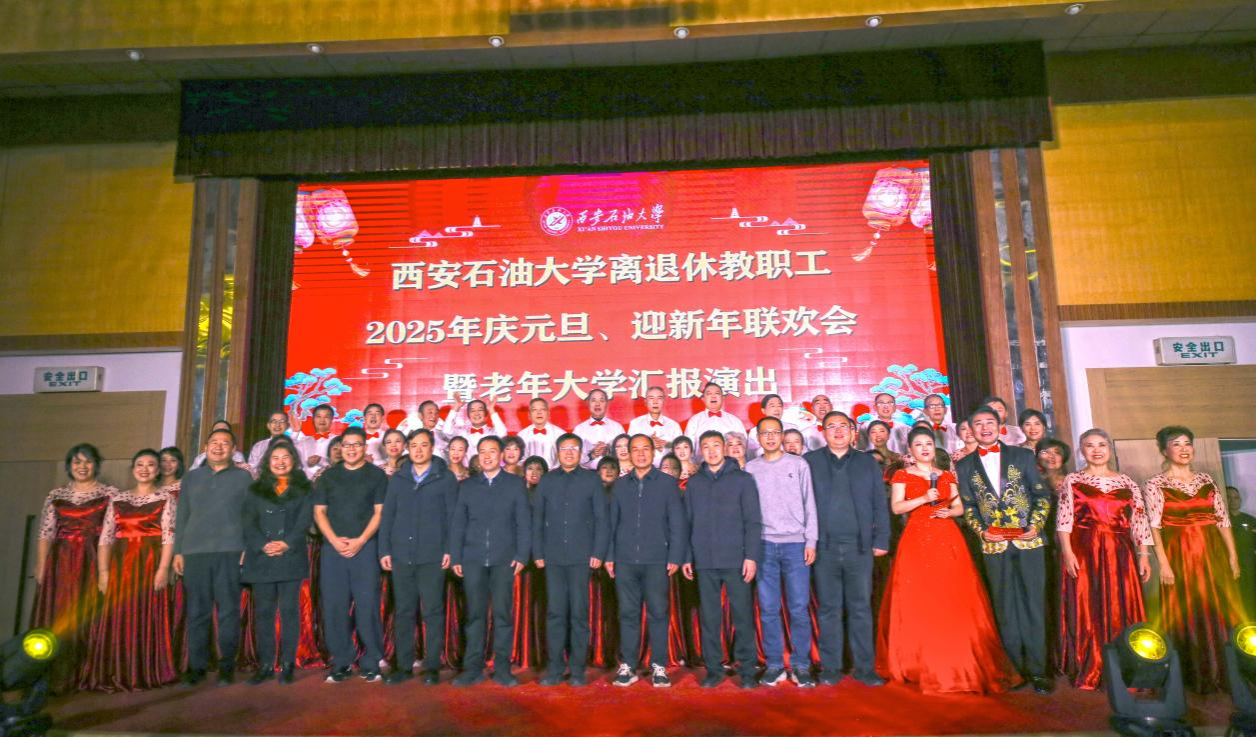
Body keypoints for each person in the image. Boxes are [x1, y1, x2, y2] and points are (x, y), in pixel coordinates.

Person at [878, 428, 1021, 694]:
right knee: (920, 597)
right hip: (917, 538)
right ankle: (918, 661)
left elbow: (960, 506)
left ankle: (958, 657)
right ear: (910, 450)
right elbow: (897, 507)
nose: (924, 448)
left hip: (947, 536)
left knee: (953, 594)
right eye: (918, 444)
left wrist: (950, 512)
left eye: (928, 444)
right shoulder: (902, 475)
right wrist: (923, 499)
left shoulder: (945, 475)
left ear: (934, 448)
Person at [956, 406, 1052, 693]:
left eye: (990, 422)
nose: (984, 428)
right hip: (993, 545)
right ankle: (1014, 670)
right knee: (1004, 607)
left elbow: (1041, 496)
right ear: (970, 430)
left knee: (1034, 605)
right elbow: (969, 506)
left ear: (1000, 427)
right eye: (978, 423)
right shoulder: (964, 465)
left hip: (1028, 541)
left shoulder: (1022, 456)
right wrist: (981, 531)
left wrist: (1035, 524)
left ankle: (1038, 671)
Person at [1144, 425, 1243, 693]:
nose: (1184, 448)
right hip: (1179, 556)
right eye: (1176, 444)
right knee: (1187, 611)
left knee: (1220, 608)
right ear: (1164, 450)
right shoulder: (1155, 484)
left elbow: (1222, 521)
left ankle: (1226, 673)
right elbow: (1154, 527)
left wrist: (1233, 556)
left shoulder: (1206, 480)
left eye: (1187, 443)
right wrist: (1163, 563)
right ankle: (1197, 674)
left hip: (1213, 554)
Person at [1057, 428, 1153, 690]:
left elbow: (1140, 522)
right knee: (1088, 605)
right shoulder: (1073, 480)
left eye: (1102, 445)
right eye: (1090, 445)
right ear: (1081, 450)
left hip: (1120, 551)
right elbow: (1064, 520)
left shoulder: (1127, 482)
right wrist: (1067, 552)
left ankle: (1127, 665)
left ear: (1109, 449)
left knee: (1122, 604)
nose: (1096, 450)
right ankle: (1092, 664)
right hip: (1085, 549)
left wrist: (1144, 555)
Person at [804, 412, 890, 687]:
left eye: (844, 426)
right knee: (828, 609)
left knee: (860, 608)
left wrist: (881, 539)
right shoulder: (810, 462)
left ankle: (865, 668)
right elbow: (801, 503)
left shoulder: (866, 462)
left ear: (853, 432)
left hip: (859, 548)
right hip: (824, 549)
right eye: (832, 426)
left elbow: (879, 503)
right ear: (823, 432)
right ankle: (830, 668)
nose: (838, 431)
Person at [84, 449, 177, 691]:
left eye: (150, 465)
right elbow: (106, 538)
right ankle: (116, 671)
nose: (145, 469)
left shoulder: (166, 498)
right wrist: (103, 572)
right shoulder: (118, 499)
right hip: (121, 565)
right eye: (140, 464)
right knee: (118, 614)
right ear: (133, 469)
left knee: (146, 614)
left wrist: (163, 569)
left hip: (150, 563)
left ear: (157, 470)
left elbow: (169, 537)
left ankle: (142, 672)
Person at [31, 443, 115, 692]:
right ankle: (54, 675)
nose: (82, 466)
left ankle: (85, 673)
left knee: (87, 613)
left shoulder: (110, 494)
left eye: (88, 461)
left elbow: (111, 534)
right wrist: (41, 564)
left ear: (96, 465)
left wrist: (104, 571)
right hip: (60, 562)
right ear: (69, 466)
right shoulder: (55, 495)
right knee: (57, 614)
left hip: (91, 560)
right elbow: (46, 532)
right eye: (77, 462)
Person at [682, 431, 762, 689]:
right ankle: (713, 669)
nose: (711, 451)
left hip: (736, 559)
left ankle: (747, 670)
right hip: (704, 560)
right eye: (706, 446)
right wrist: (687, 557)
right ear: (700, 451)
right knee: (710, 618)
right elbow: (687, 522)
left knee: (742, 616)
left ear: (725, 448)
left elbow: (753, 521)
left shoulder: (743, 479)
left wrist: (751, 556)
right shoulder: (694, 483)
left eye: (716, 445)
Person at [449, 436, 531, 687]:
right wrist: (456, 555)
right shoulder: (467, 486)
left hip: (504, 559)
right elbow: (458, 523)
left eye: (492, 451)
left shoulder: (515, 484)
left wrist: (521, 555)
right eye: (482, 451)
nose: (487, 456)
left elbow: (523, 522)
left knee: (503, 615)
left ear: (501, 455)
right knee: (474, 615)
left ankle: (502, 669)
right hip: (472, 558)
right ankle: (472, 668)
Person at [607, 434, 686, 688]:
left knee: (658, 613)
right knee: (627, 613)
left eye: (645, 449)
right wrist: (609, 556)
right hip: (625, 560)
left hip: (657, 560)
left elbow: (677, 523)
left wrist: (675, 556)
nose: (640, 454)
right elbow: (611, 524)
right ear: (628, 453)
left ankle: (659, 666)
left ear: (653, 452)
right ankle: (628, 665)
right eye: (635, 449)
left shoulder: (667, 484)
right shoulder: (620, 485)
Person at [379, 428, 457, 685]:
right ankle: (403, 667)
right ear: (408, 449)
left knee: (432, 611)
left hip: (432, 556)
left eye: (424, 445)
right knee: (403, 612)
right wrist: (384, 550)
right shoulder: (399, 479)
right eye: (413, 445)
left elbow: (453, 518)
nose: (418, 450)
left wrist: (450, 549)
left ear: (432, 448)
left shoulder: (445, 478)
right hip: (401, 554)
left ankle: (432, 667)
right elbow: (388, 516)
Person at [175, 427, 252, 686]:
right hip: (195, 552)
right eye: (214, 442)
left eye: (225, 443)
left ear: (234, 450)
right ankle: (196, 667)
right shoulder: (191, 477)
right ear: (205, 447)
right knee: (198, 611)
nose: (219, 447)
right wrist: (178, 551)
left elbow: (251, 516)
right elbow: (182, 516)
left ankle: (226, 667)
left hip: (230, 551)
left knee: (228, 611)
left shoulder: (244, 477)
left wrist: (247, 548)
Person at [746, 416, 817, 688]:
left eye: (775, 432)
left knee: (798, 607)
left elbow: (810, 503)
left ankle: (801, 665)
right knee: (768, 609)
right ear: (758, 438)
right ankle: (774, 664)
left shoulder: (798, 465)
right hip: (764, 545)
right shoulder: (751, 468)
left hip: (796, 544)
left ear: (782, 435)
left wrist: (811, 541)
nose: (770, 437)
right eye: (765, 433)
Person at [312, 426, 388, 682]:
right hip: (333, 549)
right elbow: (319, 512)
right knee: (334, 606)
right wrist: (334, 540)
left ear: (365, 447)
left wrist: (360, 541)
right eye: (347, 445)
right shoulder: (328, 476)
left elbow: (379, 512)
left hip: (365, 548)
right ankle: (341, 661)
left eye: (357, 444)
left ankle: (371, 660)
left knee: (367, 606)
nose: (351, 449)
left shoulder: (376, 475)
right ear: (340, 448)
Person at [533, 434, 608, 687]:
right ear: (557, 452)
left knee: (578, 614)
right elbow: (537, 518)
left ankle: (577, 670)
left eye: (573, 448)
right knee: (555, 613)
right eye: (564, 448)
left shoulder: (591, 479)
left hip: (581, 557)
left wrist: (598, 552)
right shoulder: (547, 480)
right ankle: (555, 669)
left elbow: (601, 519)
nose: (568, 452)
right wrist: (538, 553)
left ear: (580, 452)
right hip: (552, 557)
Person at [242, 440, 313, 685]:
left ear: (293, 461)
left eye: (285, 457)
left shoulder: (304, 487)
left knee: (289, 611)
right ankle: (265, 665)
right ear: (267, 462)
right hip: (262, 557)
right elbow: (248, 521)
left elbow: (304, 520)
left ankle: (287, 664)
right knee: (264, 612)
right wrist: (263, 544)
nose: (280, 462)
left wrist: (286, 543)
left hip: (290, 556)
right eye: (275, 458)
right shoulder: (255, 489)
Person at [517, 456, 549, 670]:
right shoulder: (516, 494)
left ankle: (541, 653)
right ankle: (520, 651)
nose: (534, 472)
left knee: (542, 606)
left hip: (543, 558)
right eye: (530, 468)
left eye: (539, 469)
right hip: (520, 558)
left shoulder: (550, 495)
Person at [628, 386, 682, 465]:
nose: (655, 402)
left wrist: (666, 445)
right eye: (651, 398)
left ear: (664, 401)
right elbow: (630, 448)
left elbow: (681, 449)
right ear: (645, 402)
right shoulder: (635, 424)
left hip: (668, 468)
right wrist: (648, 444)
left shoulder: (674, 425)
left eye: (659, 398)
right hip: (643, 468)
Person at [573, 389, 626, 470]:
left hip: (612, 472)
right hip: (586, 473)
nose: (597, 404)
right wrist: (592, 455)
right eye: (593, 400)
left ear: (607, 404)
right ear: (588, 404)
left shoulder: (617, 427)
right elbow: (574, 457)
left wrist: (608, 451)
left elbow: (626, 453)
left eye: (601, 400)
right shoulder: (579, 430)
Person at [440, 398, 508, 460]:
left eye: (480, 410)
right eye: (472, 411)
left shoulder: (492, 433)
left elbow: (502, 433)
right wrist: (456, 407)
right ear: (468, 415)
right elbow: (446, 430)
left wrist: (491, 410)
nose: (476, 413)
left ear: (486, 414)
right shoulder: (462, 433)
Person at [1229, 486, 1256, 619]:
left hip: (1250, 564)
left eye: (1236, 497)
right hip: (1230, 565)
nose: (1233, 500)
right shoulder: (1223, 521)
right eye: (1229, 497)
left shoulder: (1250, 520)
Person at [517, 398, 566, 468]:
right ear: (529, 415)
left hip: (554, 473)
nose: (539, 412)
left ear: (548, 413)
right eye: (534, 410)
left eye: (542, 409)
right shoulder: (522, 435)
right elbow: (519, 460)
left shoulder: (560, 434)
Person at [297, 404, 337, 469]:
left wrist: (321, 460)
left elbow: (340, 464)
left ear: (331, 420)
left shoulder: (337, 441)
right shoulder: (304, 441)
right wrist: (295, 432)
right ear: (313, 419)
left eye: (326, 417)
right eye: (319, 416)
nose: (322, 420)